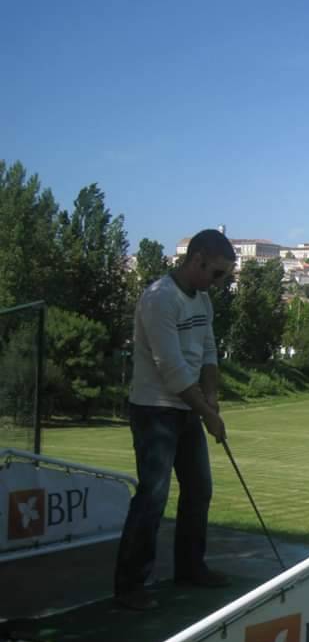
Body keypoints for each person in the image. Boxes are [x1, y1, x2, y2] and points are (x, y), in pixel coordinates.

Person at [113, 229, 236, 610]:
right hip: (155, 408)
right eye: (216, 274)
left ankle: (190, 567)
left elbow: (209, 351)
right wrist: (208, 415)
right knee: (153, 494)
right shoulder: (159, 299)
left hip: (188, 407)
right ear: (196, 259)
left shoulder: (202, 299)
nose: (217, 284)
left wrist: (211, 398)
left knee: (199, 488)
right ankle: (130, 585)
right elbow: (172, 369)